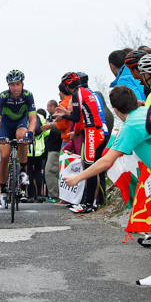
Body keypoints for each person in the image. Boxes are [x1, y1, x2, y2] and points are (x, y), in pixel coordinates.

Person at [64, 85, 151, 286]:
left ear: (116, 111)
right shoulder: (148, 111)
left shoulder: (132, 125)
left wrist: (77, 178)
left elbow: (106, 161)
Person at [55, 72, 104, 213]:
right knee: (91, 168)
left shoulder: (77, 93)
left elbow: (76, 117)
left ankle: (89, 204)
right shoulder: (83, 91)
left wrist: (63, 115)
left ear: (66, 86)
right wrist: (76, 133)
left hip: (91, 132)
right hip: (92, 130)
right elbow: (79, 118)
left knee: (90, 169)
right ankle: (89, 202)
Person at [0, 69, 37, 209]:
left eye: (18, 84)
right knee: (4, 156)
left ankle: (23, 172)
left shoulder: (28, 95)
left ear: (22, 84)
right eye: (12, 85)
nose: (15, 88)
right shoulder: (3, 96)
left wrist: (30, 133)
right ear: (8, 85)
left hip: (20, 124)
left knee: (22, 137)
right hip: (6, 125)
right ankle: (3, 192)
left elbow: (33, 118)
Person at [42, 100, 62, 202]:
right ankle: (55, 195)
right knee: (52, 171)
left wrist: (50, 128)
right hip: (51, 149)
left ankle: (55, 195)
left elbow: (61, 131)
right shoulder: (51, 118)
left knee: (50, 171)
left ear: (53, 106)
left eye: (48, 107)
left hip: (56, 149)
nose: (47, 109)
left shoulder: (58, 118)